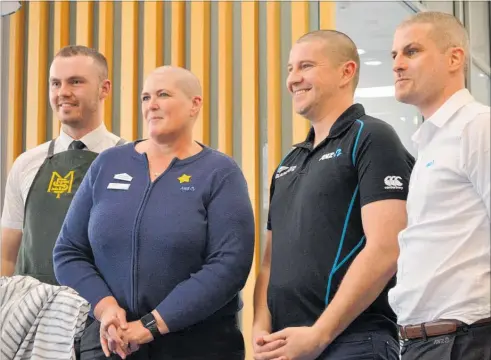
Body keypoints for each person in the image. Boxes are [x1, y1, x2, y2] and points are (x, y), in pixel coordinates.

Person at [52, 65, 255, 360]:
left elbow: (229, 265)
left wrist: (152, 324)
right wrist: (106, 307)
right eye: (146, 98)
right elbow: (68, 252)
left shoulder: (220, 173)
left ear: (194, 104)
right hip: (110, 342)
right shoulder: (109, 164)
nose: (152, 105)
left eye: (163, 95)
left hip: (197, 345)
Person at [252, 30, 415, 360]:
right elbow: (270, 262)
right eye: (289, 69)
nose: (294, 79)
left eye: (306, 66)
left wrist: (319, 334)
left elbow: (386, 247)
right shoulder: (288, 162)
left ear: (346, 72)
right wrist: (259, 329)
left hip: (353, 341)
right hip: (287, 345)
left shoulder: (371, 137)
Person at [389, 11, 490, 360]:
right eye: (394, 55)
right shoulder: (431, 141)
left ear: (454, 58)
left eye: (412, 51)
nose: (398, 64)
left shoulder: (478, 127)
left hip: (467, 338)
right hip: (423, 341)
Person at [1, 45, 124, 284]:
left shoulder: (132, 160)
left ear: (104, 89)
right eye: (55, 83)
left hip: (103, 314)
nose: (63, 92)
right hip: (33, 312)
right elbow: (7, 256)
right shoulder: (27, 163)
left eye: (75, 82)